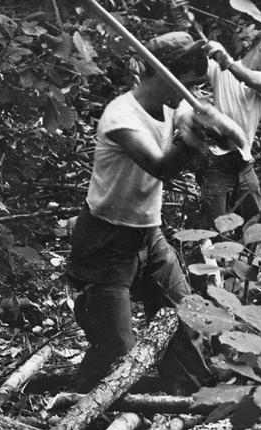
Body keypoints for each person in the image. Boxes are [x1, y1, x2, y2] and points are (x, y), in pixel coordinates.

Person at [66, 31, 244, 396]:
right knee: (116, 351)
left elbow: (233, 144)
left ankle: (181, 412)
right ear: (163, 74)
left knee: (186, 321)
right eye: (185, 80)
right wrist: (191, 137)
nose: (189, 90)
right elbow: (160, 166)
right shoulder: (121, 116)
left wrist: (218, 125)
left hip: (149, 233)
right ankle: (83, 416)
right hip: (106, 241)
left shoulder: (173, 108)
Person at [186, 28, 261, 223]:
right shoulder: (221, 67)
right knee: (214, 227)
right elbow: (193, 68)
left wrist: (226, 61)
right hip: (217, 162)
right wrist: (205, 50)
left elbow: (253, 81)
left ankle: (256, 253)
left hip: (243, 162)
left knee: (258, 223)